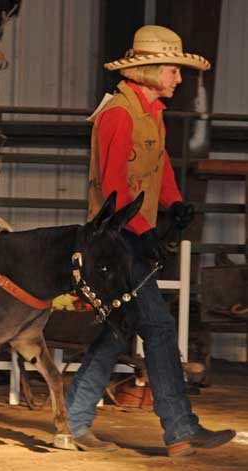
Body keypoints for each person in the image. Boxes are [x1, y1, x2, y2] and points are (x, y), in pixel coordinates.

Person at [65, 25, 236, 457]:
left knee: (121, 328)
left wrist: (175, 203)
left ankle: (73, 419)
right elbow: (115, 187)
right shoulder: (119, 113)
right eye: (173, 70)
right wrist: (144, 233)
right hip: (114, 239)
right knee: (157, 327)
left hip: (129, 235)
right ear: (148, 70)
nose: (178, 78)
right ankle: (179, 429)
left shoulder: (151, 112)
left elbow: (157, 168)